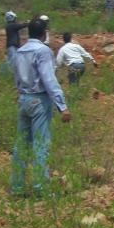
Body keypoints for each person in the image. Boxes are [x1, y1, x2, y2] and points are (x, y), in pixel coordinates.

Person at [10, 17, 71, 197]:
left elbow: (16, 77)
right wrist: (62, 106)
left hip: (24, 99)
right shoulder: (43, 51)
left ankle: (17, 187)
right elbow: (49, 79)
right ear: (44, 33)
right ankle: (40, 188)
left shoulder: (20, 51)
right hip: (39, 100)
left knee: (21, 145)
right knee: (40, 144)